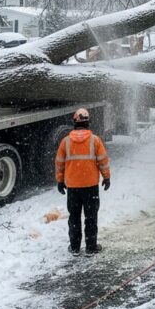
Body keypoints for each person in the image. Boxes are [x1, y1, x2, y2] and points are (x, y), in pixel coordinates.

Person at [55, 107, 111, 255]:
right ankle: (91, 248)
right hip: (91, 186)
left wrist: (60, 181)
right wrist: (106, 177)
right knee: (91, 218)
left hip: (73, 187)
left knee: (74, 218)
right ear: (88, 123)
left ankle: (74, 247)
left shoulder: (65, 142)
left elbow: (59, 163)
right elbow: (103, 161)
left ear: (74, 122)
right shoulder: (95, 141)